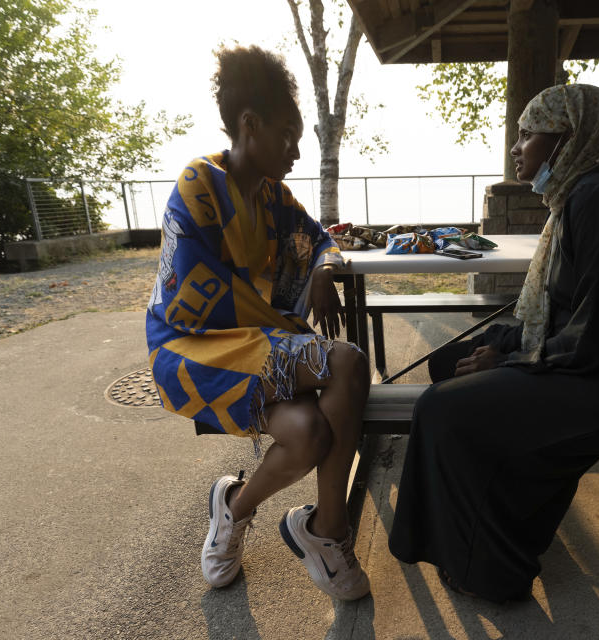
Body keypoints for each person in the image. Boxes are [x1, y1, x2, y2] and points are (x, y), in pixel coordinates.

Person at [387, 84, 599, 604]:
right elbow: (563, 315)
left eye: (529, 133)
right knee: (450, 362)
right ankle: (502, 514)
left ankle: (491, 570)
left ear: (566, 140)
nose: (517, 146)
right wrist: (508, 346)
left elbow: (597, 333)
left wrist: (510, 356)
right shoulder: (575, 200)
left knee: (444, 409)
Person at [145, 45, 371, 601]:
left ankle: (233, 509)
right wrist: (286, 326)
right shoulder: (198, 185)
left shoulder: (274, 196)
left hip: (257, 342)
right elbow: (198, 299)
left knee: (309, 434)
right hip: (191, 346)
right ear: (250, 124)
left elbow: (320, 240)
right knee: (346, 360)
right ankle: (330, 531)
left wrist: (324, 268)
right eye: (288, 135)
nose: (295, 150)